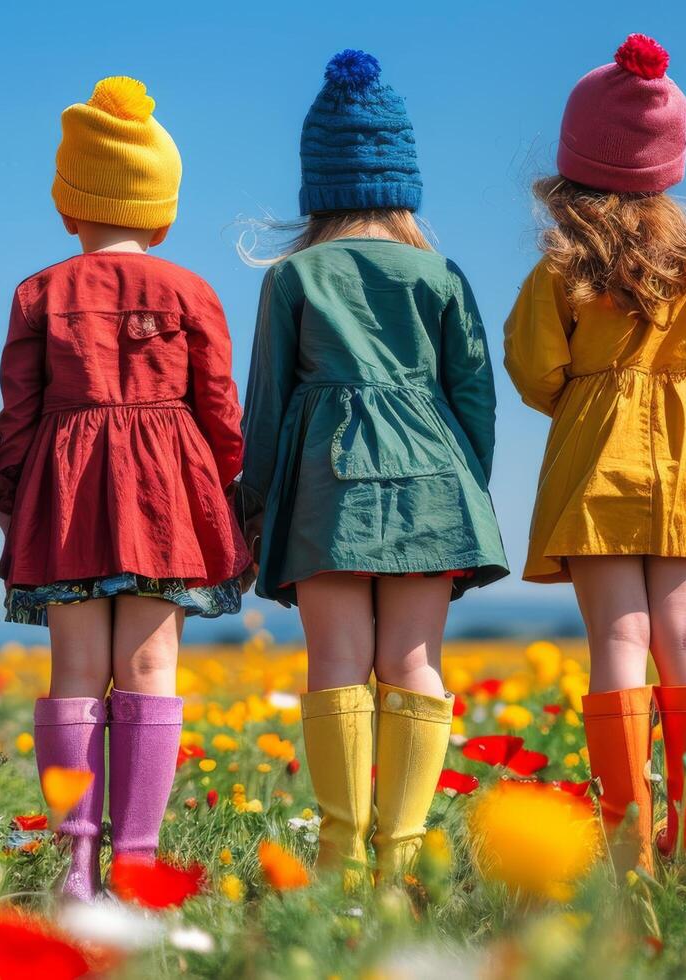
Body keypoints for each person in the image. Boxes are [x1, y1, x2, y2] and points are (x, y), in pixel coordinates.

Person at [503, 34, 686, 872]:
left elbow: (531, 364)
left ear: (573, 165)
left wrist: (586, 402)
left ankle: (629, 847)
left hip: (595, 461)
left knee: (618, 638)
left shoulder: (562, 264)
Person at [240, 50, 508, 886]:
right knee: (415, 666)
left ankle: (340, 863)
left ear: (316, 187)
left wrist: (253, 506)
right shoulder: (440, 273)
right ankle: (401, 867)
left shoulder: (293, 276)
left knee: (335, 665)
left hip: (328, 490)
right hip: (437, 485)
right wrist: (470, 494)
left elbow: (268, 404)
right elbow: (476, 403)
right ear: (404, 184)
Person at [0, 76, 248, 900]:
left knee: (74, 668)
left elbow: (19, 414)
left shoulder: (38, 292)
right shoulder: (191, 291)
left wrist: (8, 494)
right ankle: (137, 863)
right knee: (151, 663)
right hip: (166, 499)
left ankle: (75, 866)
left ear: (70, 208)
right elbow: (219, 411)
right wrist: (224, 489)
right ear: (162, 213)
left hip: (64, 492)